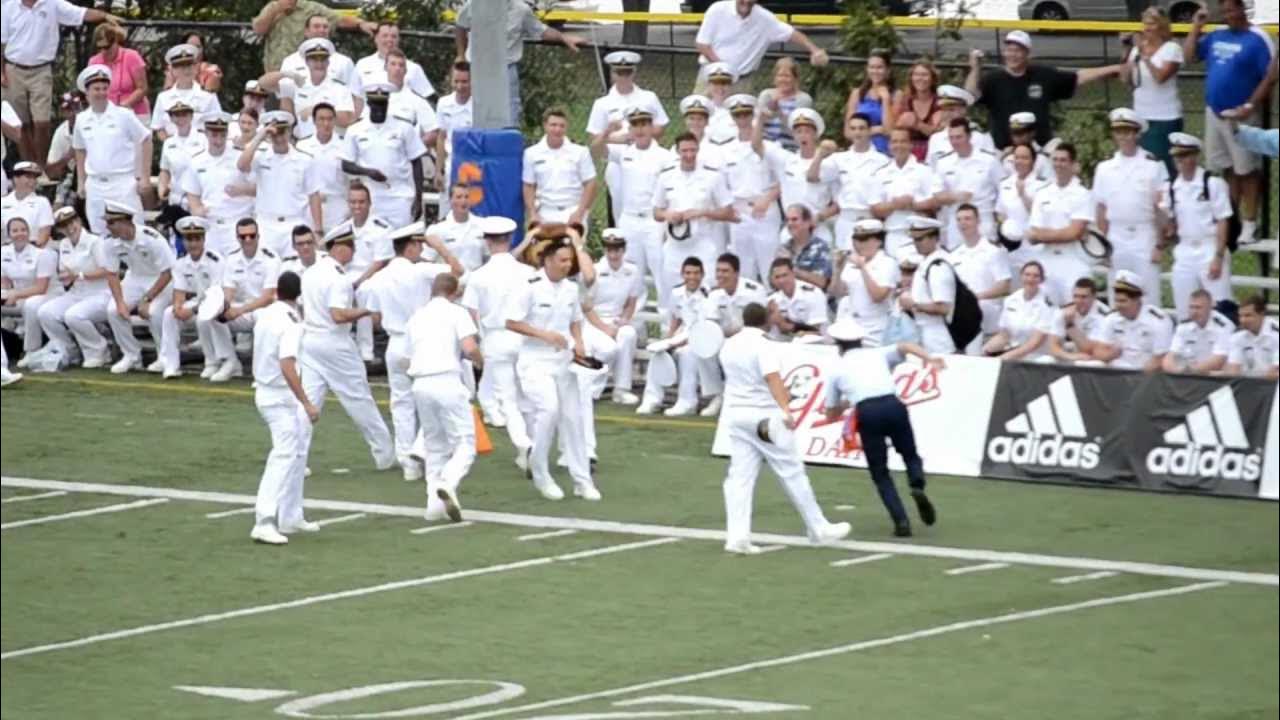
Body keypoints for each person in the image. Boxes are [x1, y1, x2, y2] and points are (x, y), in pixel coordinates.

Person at [720, 302, 850, 554]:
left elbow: (752, 379)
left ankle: (737, 536)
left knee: (739, 477)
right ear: (766, 320)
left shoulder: (729, 344)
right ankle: (818, 528)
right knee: (792, 472)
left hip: (736, 415)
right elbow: (772, 378)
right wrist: (786, 410)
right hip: (764, 417)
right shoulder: (764, 345)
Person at [824, 317, 941, 537]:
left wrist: (846, 403)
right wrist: (930, 358)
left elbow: (830, 413)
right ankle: (916, 484)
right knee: (910, 454)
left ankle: (901, 521)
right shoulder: (876, 354)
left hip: (867, 411)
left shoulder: (836, 369)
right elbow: (906, 346)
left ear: (838, 345)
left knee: (880, 472)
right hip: (893, 404)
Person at [504, 236, 600, 501]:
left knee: (573, 418)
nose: (567, 265)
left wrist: (579, 344)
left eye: (570, 260)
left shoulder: (570, 288)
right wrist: (544, 335)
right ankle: (540, 471)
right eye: (562, 260)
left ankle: (582, 481)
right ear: (547, 260)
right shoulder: (530, 286)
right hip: (535, 359)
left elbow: (575, 320)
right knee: (549, 409)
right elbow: (511, 322)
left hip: (563, 360)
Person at [364, 223, 463, 480]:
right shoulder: (419, 271)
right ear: (410, 246)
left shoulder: (380, 277)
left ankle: (408, 461)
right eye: (419, 244)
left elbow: (374, 316)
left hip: (395, 343)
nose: (421, 248)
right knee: (433, 400)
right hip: (421, 341)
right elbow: (458, 271)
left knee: (402, 404)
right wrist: (439, 246)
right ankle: (423, 450)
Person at [296, 225, 397, 471]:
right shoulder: (338, 278)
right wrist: (367, 310)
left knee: (308, 403)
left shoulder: (311, 272)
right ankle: (385, 454)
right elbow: (338, 315)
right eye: (350, 245)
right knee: (359, 400)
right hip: (334, 343)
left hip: (310, 341)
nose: (353, 250)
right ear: (339, 247)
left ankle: (294, 454)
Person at [1184, 0, 1274, 247]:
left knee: (1247, 171)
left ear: (1242, 9)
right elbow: (1190, 56)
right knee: (1227, 169)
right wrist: (1196, 27)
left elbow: (1269, 77)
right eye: (1224, 11)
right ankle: (1230, 221)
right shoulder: (1216, 35)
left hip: (1240, 114)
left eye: (1232, 10)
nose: (1228, 15)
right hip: (1214, 112)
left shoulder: (1257, 39)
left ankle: (1250, 223)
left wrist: (1250, 106)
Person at [249, 269, 320, 545]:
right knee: (284, 454)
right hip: (277, 396)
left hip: (272, 392)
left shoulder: (265, 314)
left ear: (277, 292)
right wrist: (307, 402)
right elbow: (287, 363)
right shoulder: (291, 323)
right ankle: (264, 519)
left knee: (296, 452)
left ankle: (291, 515)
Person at [1, 0, 117, 163]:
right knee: (20, 124)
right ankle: (28, 166)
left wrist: (105, 16)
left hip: (41, 70)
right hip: (13, 68)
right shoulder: (8, 6)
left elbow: (80, 13)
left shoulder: (52, 4)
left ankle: (40, 168)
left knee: (42, 122)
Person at [405, 272, 479, 522]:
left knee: (434, 445)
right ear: (454, 292)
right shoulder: (458, 313)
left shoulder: (417, 316)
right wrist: (481, 361)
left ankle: (433, 506)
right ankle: (448, 481)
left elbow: (408, 354)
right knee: (465, 443)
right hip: (447, 380)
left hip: (421, 383)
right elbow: (469, 348)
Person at [965, 30, 1119, 148]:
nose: (1013, 55)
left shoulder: (1043, 75)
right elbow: (970, 96)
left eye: (1018, 50)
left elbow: (1078, 77)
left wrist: (1114, 68)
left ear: (1027, 54)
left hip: (1039, 148)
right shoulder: (993, 79)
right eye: (1009, 50)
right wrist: (975, 68)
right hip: (1004, 148)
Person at [461, 216, 535, 463]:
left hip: (494, 338)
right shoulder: (528, 273)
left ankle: (524, 444)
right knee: (527, 396)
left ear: (487, 242)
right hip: (525, 337)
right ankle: (532, 449)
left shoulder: (478, 276)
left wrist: (479, 342)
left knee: (508, 399)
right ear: (510, 238)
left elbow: (471, 314)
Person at [591, 107, 674, 305]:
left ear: (651, 127)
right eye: (635, 125)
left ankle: (665, 323)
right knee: (631, 274)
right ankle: (635, 323)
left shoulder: (664, 156)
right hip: (628, 219)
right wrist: (607, 131)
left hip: (653, 221)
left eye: (644, 124)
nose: (640, 130)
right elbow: (595, 150)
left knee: (660, 272)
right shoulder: (623, 152)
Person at [453, 0, 584, 125]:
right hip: (478, 68)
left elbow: (541, 31)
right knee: (475, 114)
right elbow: (460, 24)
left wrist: (563, 37)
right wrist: (460, 55)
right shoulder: (475, 4)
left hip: (506, 69)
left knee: (510, 116)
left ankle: (506, 146)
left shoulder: (521, 9)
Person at [1093, 108, 1168, 302]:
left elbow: (1161, 207)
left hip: (1144, 234)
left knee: (1148, 293)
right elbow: (1101, 209)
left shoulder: (1153, 165)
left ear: (1137, 133)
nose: (1123, 137)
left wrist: (1159, 244)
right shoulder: (1104, 168)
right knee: (1116, 294)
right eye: (1119, 132)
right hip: (1115, 236)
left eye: (1127, 131)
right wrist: (1104, 246)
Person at [588, 51, 670, 223]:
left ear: (634, 72)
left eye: (628, 72)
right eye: (619, 72)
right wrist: (617, 137)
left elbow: (661, 128)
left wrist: (638, 135)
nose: (624, 77)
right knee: (622, 209)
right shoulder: (602, 104)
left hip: (648, 157)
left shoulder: (648, 97)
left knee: (653, 201)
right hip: (617, 161)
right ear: (612, 74)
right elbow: (594, 141)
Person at [1159, 132, 1233, 320]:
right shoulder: (1171, 188)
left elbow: (1223, 220)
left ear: (1194, 157)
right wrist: (1162, 216)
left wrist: (1218, 256)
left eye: (1184, 156)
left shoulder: (1212, 183)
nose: (1180, 161)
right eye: (1176, 157)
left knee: (1220, 305)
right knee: (1185, 306)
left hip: (1209, 247)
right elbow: (1170, 226)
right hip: (1185, 248)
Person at [653, 131, 735, 298]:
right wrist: (668, 215)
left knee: (708, 291)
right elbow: (656, 212)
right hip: (675, 245)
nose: (689, 155)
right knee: (673, 294)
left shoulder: (712, 176)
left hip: (702, 243)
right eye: (684, 151)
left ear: (698, 150)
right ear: (677, 151)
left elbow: (728, 212)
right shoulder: (666, 176)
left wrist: (703, 212)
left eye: (692, 150)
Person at [708, 95, 778, 285]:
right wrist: (729, 208)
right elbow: (721, 184)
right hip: (739, 213)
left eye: (746, 114)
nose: (743, 119)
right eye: (738, 115)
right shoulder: (725, 151)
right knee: (743, 269)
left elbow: (783, 179)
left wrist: (768, 198)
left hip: (765, 210)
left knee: (769, 266)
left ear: (753, 115)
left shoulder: (770, 147)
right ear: (733, 118)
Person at [72, 65, 151, 236]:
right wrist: (81, 181)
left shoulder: (124, 115)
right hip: (95, 185)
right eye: (96, 89)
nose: (100, 93)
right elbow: (79, 149)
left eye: (104, 88)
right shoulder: (81, 119)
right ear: (87, 92)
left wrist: (144, 177)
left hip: (122, 183)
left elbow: (145, 139)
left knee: (135, 232)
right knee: (100, 236)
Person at [100, 201, 176, 374]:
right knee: (113, 310)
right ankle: (131, 355)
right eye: (107, 222)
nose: (107, 226)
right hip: (134, 278)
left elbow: (168, 272)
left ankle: (164, 356)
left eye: (111, 222)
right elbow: (111, 274)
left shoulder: (152, 238)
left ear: (125, 221)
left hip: (160, 279)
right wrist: (120, 303)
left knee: (155, 311)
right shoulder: (110, 243)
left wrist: (146, 299)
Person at [341, 80, 427, 227]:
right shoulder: (355, 130)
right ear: (369, 103)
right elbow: (346, 164)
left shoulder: (403, 127)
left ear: (388, 103)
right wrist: (368, 172)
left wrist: (418, 198)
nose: (379, 108)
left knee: (401, 243)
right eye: (376, 104)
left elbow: (416, 162)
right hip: (370, 197)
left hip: (400, 197)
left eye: (383, 104)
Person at [636, 256, 715, 416]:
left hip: (702, 339)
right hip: (682, 336)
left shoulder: (709, 295)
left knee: (687, 354)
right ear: (682, 274)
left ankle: (687, 402)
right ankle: (652, 399)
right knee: (658, 352)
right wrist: (668, 340)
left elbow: (702, 329)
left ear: (702, 274)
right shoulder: (677, 292)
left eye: (695, 273)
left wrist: (676, 343)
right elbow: (676, 318)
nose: (691, 277)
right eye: (688, 273)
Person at [238, 111, 323, 257]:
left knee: (293, 271)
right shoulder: (260, 155)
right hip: (266, 224)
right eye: (274, 134)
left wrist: (318, 230)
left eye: (282, 132)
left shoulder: (305, 160)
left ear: (289, 131)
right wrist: (259, 137)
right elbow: (241, 165)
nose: (279, 137)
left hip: (294, 222)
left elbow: (313, 195)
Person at [694, 0, 828, 92]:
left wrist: (814, 50)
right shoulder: (717, 10)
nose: (746, 2)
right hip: (711, 77)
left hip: (742, 82)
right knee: (699, 118)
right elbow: (702, 44)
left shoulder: (765, 19)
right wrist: (724, 69)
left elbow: (792, 34)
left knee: (739, 127)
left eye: (750, 1)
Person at [38, 207, 111, 366]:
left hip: (101, 293)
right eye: (64, 225)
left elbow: (107, 271)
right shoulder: (64, 244)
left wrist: (78, 275)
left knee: (73, 315)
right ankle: (69, 351)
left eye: (72, 222)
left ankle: (99, 351)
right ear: (59, 229)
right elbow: (66, 273)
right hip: (76, 292)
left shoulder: (95, 241)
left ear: (79, 221)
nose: (70, 228)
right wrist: (65, 278)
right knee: (45, 312)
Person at [210, 218, 280, 382]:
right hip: (242, 308)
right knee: (215, 317)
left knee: (263, 319)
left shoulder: (271, 259)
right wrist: (224, 307)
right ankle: (230, 362)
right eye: (243, 236)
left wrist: (239, 311)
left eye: (251, 235)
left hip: (265, 309)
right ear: (237, 238)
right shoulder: (232, 259)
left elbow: (268, 297)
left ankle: (261, 372)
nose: (247, 239)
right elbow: (229, 290)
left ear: (258, 236)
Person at [158, 216, 227, 379]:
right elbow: (179, 290)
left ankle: (211, 363)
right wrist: (178, 307)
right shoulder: (181, 263)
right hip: (197, 302)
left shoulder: (216, 261)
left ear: (203, 240)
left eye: (197, 239)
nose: (193, 244)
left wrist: (192, 310)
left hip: (216, 303)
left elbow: (216, 294)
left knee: (203, 317)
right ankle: (171, 365)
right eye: (189, 239)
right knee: (169, 314)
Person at [753, 107, 835, 243]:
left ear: (816, 134)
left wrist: (819, 217)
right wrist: (760, 120)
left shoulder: (829, 162)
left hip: (817, 228)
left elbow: (838, 203)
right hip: (791, 229)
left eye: (807, 131)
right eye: (798, 132)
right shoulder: (786, 160)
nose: (803, 136)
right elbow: (756, 146)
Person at [1026, 142, 1094, 306]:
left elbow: (1074, 233)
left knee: (1076, 311)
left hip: (1073, 259)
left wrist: (1044, 235)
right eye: (1055, 160)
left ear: (1073, 164)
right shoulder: (1042, 193)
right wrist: (1060, 234)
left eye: (1063, 160)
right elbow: (1033, 235)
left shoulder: (1083, 194)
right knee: (1045, 312)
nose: (1058, 164)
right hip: (1046, 260)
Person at [811, 113, 890, 251]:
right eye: (853, 128)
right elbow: (812, 177)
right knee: (845, 265)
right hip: (846, 220)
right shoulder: (839, 159)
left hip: (870, 219)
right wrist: (820, 155)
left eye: (861, 128)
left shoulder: (882, 160)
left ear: (870, 131)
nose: (857, 132)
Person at [583, 230, 643, 405]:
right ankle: (590, 389)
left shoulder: (632, 271)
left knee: (628, 333)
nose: (613, 254)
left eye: (617, 250)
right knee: (609, 349)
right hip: (593, 322)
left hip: (616, 320)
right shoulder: (596, 271)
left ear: (623, 250)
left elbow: (631, 302)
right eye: (609, 250)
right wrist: (604, 328)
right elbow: (586, 307)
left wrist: (624, 319)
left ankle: (621, 389)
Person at [334, 182, 393, 362]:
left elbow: (380, 262)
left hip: (373, 277)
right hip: (347, 275)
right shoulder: (342, 228)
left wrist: (358, 281)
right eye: (353, 202)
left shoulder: (381, 228)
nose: (357, 206)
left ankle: (366, 350)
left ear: (369, 203)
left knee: (364, 292)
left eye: (361, 202)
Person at [183, 112, 255, 258]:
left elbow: (259, 188)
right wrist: (197, 209)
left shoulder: (240, 156)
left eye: (222, 135)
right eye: (214, 135)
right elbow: (193, 193)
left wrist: (242, 190)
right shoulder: (197, 161)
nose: (218, 140)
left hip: (237, 223)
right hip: (211, 225)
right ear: (206, 134)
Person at [263, 38, 356, 140]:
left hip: (332, 145)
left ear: (328, 63)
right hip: (303, 143)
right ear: (306, 62)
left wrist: (315, 110)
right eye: (314, 60)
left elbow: (347, 119)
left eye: (323, 60)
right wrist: (286, 74)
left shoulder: (339, 88)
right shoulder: (298, 84)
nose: (319, 64)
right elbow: (264, 83)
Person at [933, 117, 1004, 250]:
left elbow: (1004, 190)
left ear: (969, 136)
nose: (954, 142)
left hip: (983, 219)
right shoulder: (943, 163)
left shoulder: (988, 160)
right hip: (956, 222)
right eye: (951, 138)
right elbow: (937, 196)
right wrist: (956, 196)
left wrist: (999, 215)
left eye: (959, 137)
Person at [1125, 7, 1183, 169]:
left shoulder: (1172, 49)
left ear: (1161, 26)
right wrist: (1126, 51)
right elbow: (1127, 81)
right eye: (1145, 24)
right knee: (1143, 165)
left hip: (1164, 117)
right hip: (1141, 115)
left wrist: (1146, 58)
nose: (1147, 28)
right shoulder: (1137, 49)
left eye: (1151, 24)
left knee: (1162, 166)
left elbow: (1160, 78)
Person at [871, 127, 940, 260]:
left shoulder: (924, 171)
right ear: (889, 145)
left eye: (903, 141)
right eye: (895, 142)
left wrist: (912, 205)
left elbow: (935, 202)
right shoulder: (881, 173)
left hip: (920, 235)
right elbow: (875, 208)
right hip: (893, 234)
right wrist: (895, 205)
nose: (899, 145)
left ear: (911, 144)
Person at [252, 0, 375, 74]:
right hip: (274, 74)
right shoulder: (272, 7)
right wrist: (275, 10)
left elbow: (338, 19)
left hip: (301, 73)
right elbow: (258, 29)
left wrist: (361, 24)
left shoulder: (311, 8)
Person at [523, 108, 597, 228]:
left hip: (573, 211)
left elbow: (591, 183)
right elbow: (528, 185)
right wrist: (532, 213)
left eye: (562, 126)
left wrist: (580, 213)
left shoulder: (580, 152)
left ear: (566, 127)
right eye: (553, 125)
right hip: (545, 213)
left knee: (572, 247)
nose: (557, 129)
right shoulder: (531, 153)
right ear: (545, 126)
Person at [830, 219, 899, 345]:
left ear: (878, 241)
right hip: (852, 325)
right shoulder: (852, 263)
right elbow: (837, 293)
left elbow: (878, 296)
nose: (858, 244)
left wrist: (863, 268)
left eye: (864, 240)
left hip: (876, 329)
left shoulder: (887, 263)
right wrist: (838, 270)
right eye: (856, 239)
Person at [1, 216, 60, 362]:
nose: (20, 233)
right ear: (9, 235)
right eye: (15, 231)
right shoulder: (4, 253)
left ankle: (31, 350)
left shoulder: (43, 254)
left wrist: (14, 294)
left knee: (31, 305)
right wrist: (5, 295)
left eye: (23, 230)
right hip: (20, 296)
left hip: (49, 295)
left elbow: (41, 288)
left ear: (29, 233)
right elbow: (5, 282)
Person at [949, 203, 1011, 340]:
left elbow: (1004, 285)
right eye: (959, 219)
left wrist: (976, 297)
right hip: (964, 322)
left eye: (967, 218)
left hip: (989, 321)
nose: (963, 223)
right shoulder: (954, 255)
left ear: (978, 221)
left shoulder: (993, 251)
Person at [1090, 269, 1172, 372]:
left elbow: (1160, 359)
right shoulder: (1112, 319)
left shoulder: (1158, 320)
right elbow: (1098, 351)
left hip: (1146, 375)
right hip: (1116, 374)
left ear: (1137, 300)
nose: (1118, 306)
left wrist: (1136, 379)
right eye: (1116, 301)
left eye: (1123, 301)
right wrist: (1111, 354)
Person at [995, 142, 1050, 280]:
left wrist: (1023, 194)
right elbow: (1000, 212)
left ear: (1033, 161)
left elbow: (1042, 215)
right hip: (1011, 246)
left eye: (1025, 158)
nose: (1020, 161)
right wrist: (1005, 231)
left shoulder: (1043, 185)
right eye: (1017, 157)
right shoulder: (1005, 183)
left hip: (1033, 247)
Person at [900, 216, 955, 354]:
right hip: (924, 330)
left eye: (920, 239)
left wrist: (913, 305)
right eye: (914, 239)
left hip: (938, 333)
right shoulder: (927, 261)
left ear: (934, 238)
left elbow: (943, 307)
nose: (916, 243)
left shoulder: (938, 265)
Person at [982, 260, 1053, 361]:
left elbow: (1034, 344)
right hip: (1014, 354)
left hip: (1039, 356)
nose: (1030, 279)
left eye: (1035, 276)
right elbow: (1004, 335)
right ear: (1021, 276)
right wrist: (984, 351)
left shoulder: (1048, 305)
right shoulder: (1011, 300)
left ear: (1041, 280)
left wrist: (1004, 357)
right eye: (1027, 275)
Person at [151, 44, 223, 142]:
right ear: (173, 70)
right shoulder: (163, 97)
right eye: (181, 67)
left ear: (195, 68)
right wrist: (171, 144)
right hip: (173, 149)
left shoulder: (208, 96)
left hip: (200, 148)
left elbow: (217, 125)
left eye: (190, 65)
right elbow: (159, 128)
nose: (187, 70)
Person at [296, 103, 348, 233]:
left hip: (337, 206)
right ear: (314, 121)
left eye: (330, 119)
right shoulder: (302, 146)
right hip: (308, 208)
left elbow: (353, 180)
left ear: (335, 121)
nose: (326, 123)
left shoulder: (345, 146)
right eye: (321, 119)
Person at [87, 22, 149, 122]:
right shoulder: (94, 62)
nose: (103, 51)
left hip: (135, 114)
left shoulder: (132, 56)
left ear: (115, 42)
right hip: (106, 115)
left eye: (107, 47)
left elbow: (142, 88)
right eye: (100, 48)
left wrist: (124, 106)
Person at [924, 85, 996, 169]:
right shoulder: (936, 139)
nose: (946, 115)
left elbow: (991, 167)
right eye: (943, 110)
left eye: (951, 110)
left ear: (963, 110)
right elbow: (930, 169)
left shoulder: (980, 136)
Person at [1163, 289, 1232, 374]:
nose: (1194, 312)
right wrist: (1177, 371)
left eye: (1198, 307)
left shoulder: (1223, 326)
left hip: (1215, 377)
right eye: (1191, 307)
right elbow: (1170, 357)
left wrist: (1190, 371)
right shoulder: (1183, 327)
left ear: (1210, 307)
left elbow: (1219, 360)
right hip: (1190, 376)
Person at [357, 22, 433, 98]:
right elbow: (353, 96)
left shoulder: (413, 68)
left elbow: (427, 96)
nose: (389, 40)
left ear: (399, 40)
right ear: (376, 38)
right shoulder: (362, 64)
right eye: (385, 36)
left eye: (394, 36)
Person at [843, 49, 896, 155]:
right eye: (872, 67)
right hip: (860, 150)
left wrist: (885, 100)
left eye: (879, 67)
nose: (875, 71)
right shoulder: (857, 93)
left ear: (888, 70)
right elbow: (848, 132)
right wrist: (878, 129)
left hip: (884, 151)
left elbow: (890, 131)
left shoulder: (896, 94)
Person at [424, 184, 486, 272]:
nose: (463, 201)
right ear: (450, 200)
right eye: (459, 197)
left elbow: (489, 258)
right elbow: (427, 260)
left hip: (475, 281)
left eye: (466, 197)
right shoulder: (437, 229)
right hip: (450, 281)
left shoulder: (482, 226)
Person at [1046, 277, 1109, 363]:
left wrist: (1070, 325)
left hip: (1093, 358)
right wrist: (1071, 356)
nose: (1079, 301)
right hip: (1070, 355)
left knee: (1094, 364)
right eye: (1076, 296)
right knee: (1047, 360)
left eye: (1083, 297)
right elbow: (1053, 346)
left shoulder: (1104, 317)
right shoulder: (1063, 312)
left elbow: (1090, 350)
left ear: (1094, 297)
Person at [156, 101, 206, 211]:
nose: (181, 119)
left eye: (184, 115)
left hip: (199, 199)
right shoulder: (168, 143)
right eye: (176, 115)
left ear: (191, 117)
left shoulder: (203, 139)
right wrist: (162, 189)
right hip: (176, 199)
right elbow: (165, 170)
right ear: (171, 119)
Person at [756, 57, 813, 152]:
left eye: (787, 76)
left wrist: (779, 113)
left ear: (795, 78)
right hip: (765, 148)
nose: (783, 79)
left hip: (790, 149)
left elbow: (799, 132)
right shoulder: (766, 95)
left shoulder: (803, 99)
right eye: (780, 76)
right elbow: (757, 125)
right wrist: (766, 114)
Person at [434, 61, 473, 200]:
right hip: (451, 164)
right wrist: (438, 170)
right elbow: (441, 137)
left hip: (473, 165)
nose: (460, 86)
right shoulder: (443, 103)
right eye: (456, 81)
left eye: (464, 81)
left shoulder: (478, 105)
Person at [766, 257, 828, 340]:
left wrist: (783, 325)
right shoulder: (772, 300)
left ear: (793, 274)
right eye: (777, 277)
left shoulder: (813, 294)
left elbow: (816, 331)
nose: (781, 281)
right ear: (772, 279)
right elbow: (770, 334)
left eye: (785, 275)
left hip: (816, 344)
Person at [893, 60, 942, 161]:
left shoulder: (940, 102)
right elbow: (893, 128)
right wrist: (900, 123)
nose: (920, 78)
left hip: (933, 151)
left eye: (924, 75)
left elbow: (938, 133)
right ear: (911, 78)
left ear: (932, 79)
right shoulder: (904, 100)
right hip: (906, 150)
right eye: (916, 74)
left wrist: (917, 124)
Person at [776, 204, 833, 290]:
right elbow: (773, 282)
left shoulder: (821, 247)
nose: (790, 223)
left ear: (807, 223)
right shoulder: (784, 248)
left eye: (794, 219)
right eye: (787, 220)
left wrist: (791, 268)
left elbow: (823, 282)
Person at [1224, 295, 1279, 380]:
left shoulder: (1276, 334)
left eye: (1248, 315)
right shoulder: (1237, 337)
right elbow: (1233, 370)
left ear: (1262, 314)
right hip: (1248, 386)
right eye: (1240, 316)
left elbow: (1275, 371)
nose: (1243, 320)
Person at [1, 161, 52, 245]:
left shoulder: (42, 202)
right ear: (16, 178)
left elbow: (44, 234)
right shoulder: (2, 202)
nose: (32, 181)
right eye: (28, 177)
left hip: (34, 248)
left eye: (34, 178)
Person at [1000, 112, 1052, 181]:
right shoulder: (1007, 158)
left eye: (1020, 133)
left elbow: (1049, 185)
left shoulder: (1042, 158)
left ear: (1032, 132)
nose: (1016, 137)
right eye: (1013, 133)